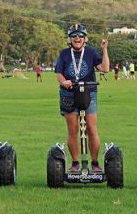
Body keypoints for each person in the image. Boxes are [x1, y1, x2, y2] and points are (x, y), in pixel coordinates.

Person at [55, 24, 109, 172]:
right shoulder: (64, 53)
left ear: (85, 38)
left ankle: (95, 162)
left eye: (80, 36)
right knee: (73, 130)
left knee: (91, 128)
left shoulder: (91, 52)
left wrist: (104, 49)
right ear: (70, 39)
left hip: (88, 92)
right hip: (69, 93)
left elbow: (105, 69)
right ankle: (75, 163)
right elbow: (59, 73)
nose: (77, 38)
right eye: (73, 36)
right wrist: (64, 81)